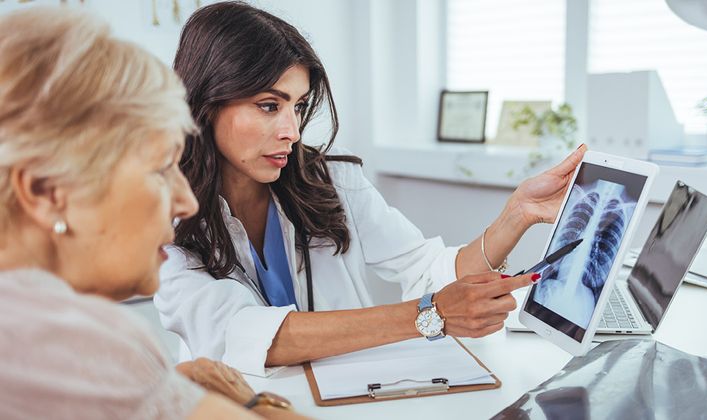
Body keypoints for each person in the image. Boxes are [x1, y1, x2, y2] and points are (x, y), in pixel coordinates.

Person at [156, 1, 586, 374]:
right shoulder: (162, 216)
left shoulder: (328, 179)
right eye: (269, 106)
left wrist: (517, 215)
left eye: (299, 106)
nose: (291, 130)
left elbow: (425, 269)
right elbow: (245, 334)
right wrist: (429, 314)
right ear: (207, 103)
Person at [0, 7, 303, 420]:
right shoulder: (69, 340)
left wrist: (160, 392)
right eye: (161, 169)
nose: (187, 202)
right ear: (45, 191)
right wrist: (252, 403)